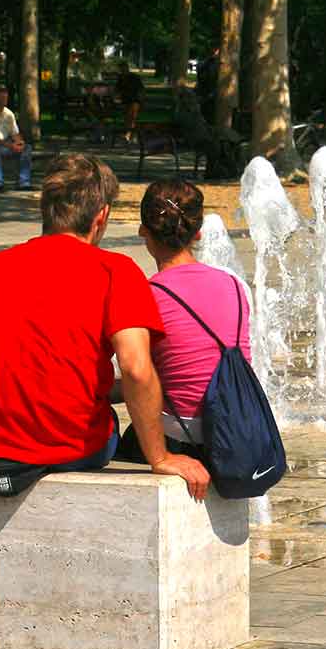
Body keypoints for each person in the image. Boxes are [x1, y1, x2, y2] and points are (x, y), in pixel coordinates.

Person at [0, 153, 210, 646]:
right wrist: (159, 456)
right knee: (112, 427)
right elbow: (135, 367)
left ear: (46, 210)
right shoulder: (115, 270)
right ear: (101, 216)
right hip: (72, 443)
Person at [113, 178, 252, 462]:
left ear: (143, 231)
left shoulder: (148, 294)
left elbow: (138, 375)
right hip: (234, 424)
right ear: (198, 234)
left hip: (182, 432)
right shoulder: (233, 285)